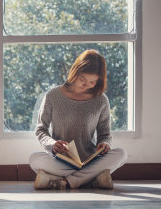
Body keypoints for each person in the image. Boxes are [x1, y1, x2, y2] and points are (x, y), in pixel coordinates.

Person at [29, 49, 127, 190]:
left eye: (92, 82)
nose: (86, 85)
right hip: (61, 160)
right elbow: (41, 129)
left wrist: (104, 144)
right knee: (34, 158)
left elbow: (105, 134)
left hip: (90, 160)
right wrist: (52, 144)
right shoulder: (53, 95)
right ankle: (91, 179)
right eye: (83, 79)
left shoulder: (101, 100)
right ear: (75, 71)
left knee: (121, 154)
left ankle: (67, 182)